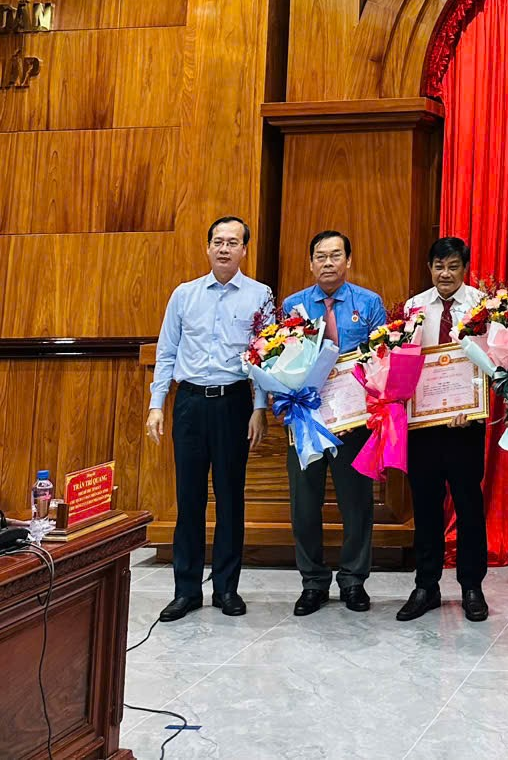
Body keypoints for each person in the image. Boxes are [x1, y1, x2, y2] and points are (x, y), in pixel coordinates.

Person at [147, 216, 272, 622]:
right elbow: (167, 352)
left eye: (232, 242)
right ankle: (186, 591)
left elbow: (267, 355)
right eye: (218, 241)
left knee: (231, 498)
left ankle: (226, 589)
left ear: (244, 250)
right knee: (189, 499)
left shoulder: (260, 296)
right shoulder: (184, 294)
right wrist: (156, 404)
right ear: (207, 247)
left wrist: (259, 408)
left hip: (234, 403)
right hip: (189, 404)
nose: (224, 248)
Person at [282, 230, 386, 616]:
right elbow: (279, 359)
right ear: (310, 263)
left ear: (349, 260)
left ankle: (353, 580)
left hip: (354, 423)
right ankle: (313, 582)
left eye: (336, 255)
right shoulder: (293, 306)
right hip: (306, 420)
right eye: (320, 256)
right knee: (304, 504)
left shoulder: (369, 303)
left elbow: (382, 358)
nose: (328, 263)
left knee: (356, 503)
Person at [398, 237, 489, 624]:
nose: (445, 273)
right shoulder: (413, 307)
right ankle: (426, 585)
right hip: (423, 425)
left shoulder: (483, 306)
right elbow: (403, 362)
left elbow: (493, 360)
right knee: (425, 506)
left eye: (453, 266)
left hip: (465, 424)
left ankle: (472, 586)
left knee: (469, 505)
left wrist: (473, 405)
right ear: (429, 268)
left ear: (464, 268)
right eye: (438, 266)